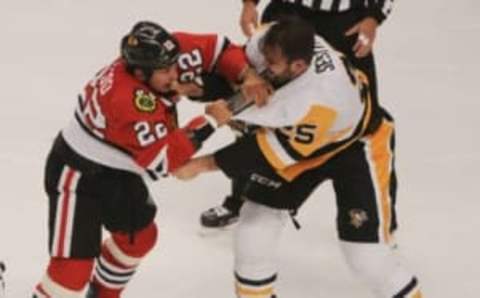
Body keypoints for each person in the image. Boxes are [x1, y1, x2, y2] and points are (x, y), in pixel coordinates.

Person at [175, 18, 423, 298]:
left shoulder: (319, 98)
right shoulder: (273, 40)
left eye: (272, 65)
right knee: (253, 234)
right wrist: (200, 88)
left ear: (298, 67)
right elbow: (241, 72)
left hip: (354, 145)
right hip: (300, 139)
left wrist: (199, 164)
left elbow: (267, 151)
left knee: (366, 256)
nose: (264, 68)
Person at [32, 20, 268, 298]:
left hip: (120, 169)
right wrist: (208, 121)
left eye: (174, 64)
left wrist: (246, 74)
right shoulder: (126, 99)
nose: (175, 73)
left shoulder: (163, 56)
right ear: (140, 73)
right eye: (166, 71)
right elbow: (162, 162)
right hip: (78, 174)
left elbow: (218, 49)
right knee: (70, 274)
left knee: (139, 240)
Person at [200, 0, 394, 228]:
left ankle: (380, 224)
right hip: (287, 14)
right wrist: (249, 3)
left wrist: (374, 16)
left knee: (366, 122)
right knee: (256, 102)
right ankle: (241, 197)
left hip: (342, 24)